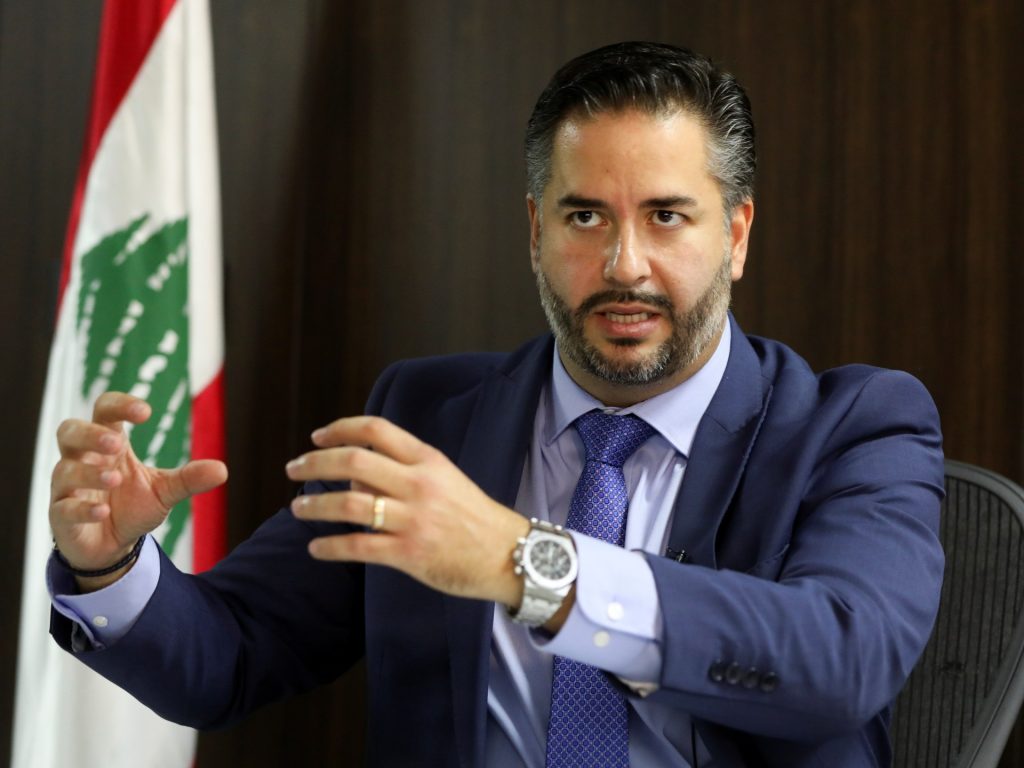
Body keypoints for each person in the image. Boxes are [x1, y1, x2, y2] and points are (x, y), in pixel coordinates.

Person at [47, 41, 944, 767]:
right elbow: (234, 652)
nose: (625, 264)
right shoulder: (427, 417)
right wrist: (113, 566)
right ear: (535, 231)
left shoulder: (855, 428)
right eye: (585, 217)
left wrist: (523, 564)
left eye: (666, 217)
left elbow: (843, 659)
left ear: (736, 236)